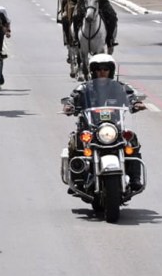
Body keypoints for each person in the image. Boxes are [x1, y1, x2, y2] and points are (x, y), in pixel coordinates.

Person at [62, 54, 146, 191]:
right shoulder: (84, 88)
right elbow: (73, 98)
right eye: (98, 69)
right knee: (75, 141)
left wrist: (136, 103)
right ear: (93, 71)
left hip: (114, 127)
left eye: (105, 69)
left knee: (132, 139)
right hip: (90, 127)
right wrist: (69, 106)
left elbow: (131, 96)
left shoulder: (120, 87)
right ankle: (76, 177)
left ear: (111, 71)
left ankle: (135, 178)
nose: (102, 72)